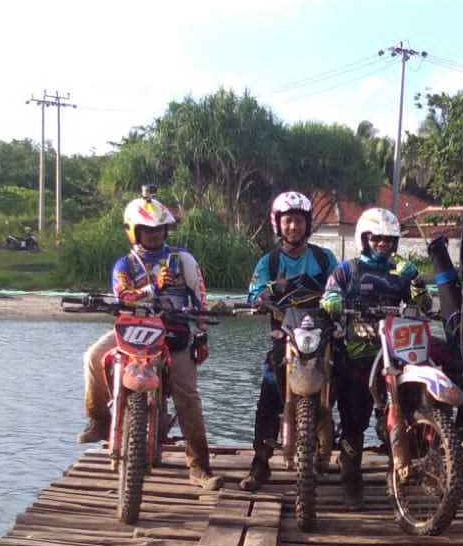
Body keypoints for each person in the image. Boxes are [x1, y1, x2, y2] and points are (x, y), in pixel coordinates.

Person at [79, 194, 221, 491]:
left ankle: (199, 467)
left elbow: (202, 298)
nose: (154, 235)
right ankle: (99, 420)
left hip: (174, 334)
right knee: (92, 357)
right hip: (132, 331)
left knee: (189, 398)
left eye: (158, 230)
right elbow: (122, 296)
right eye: (147, 230)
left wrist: (203, 334)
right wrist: (153, 287)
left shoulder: (183, 260)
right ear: (134, 231)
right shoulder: (125, 264)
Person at [320, 207, 429, 507]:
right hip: (360, 354)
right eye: (376, 239)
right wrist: (333, 301)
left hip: (397, 354)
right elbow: (329, 296)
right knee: (354, 419)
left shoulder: (400, 272)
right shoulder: (347, 270)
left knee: (411, 408)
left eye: (388, 240)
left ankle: (410, 462)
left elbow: (425, 304)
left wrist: (417, 282)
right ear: (365, 239)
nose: (382, 244)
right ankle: (350, 476)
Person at [238, 190, 339, 492]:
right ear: (277, 225)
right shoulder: (268, 261)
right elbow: (254, 292)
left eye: (298, 221)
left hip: (323, 338)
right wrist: (264, 295)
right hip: (284, 339)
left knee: (346, 380)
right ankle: (260, 461)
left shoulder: (324, 258)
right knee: (269, 390)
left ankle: (348, 460)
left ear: (307, 225)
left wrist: (337, 297)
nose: (293, 227)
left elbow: (340, 284)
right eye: (287, 221)